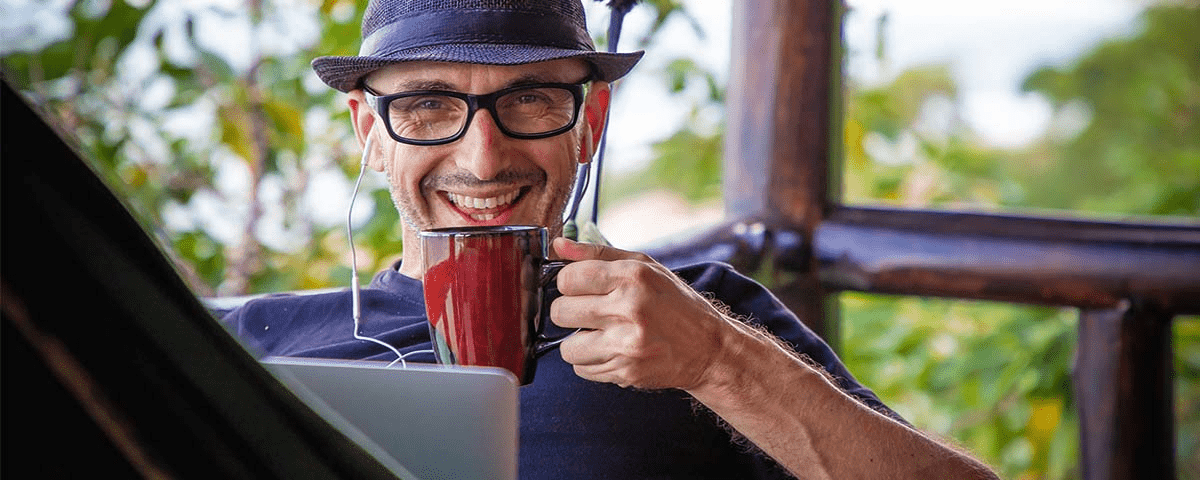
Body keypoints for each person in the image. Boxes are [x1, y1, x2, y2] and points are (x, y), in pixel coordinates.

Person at [224, 0, 1000, 478]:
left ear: (589, 124)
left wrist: (719, 362)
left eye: (529, 101)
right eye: (427, 106)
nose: (482, 158)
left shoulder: (701, 317)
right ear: (371, 131)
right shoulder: (252, 341)